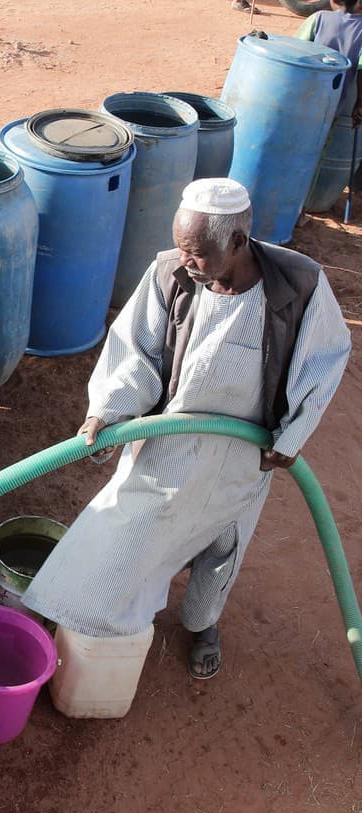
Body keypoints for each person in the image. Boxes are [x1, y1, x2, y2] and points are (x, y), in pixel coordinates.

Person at [23, 178, 351, 680]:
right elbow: (135, 350)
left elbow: (324, 360)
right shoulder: (170, 275)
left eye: (196, 252)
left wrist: (291, 437)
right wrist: (107, 412)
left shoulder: (299, 284)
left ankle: (203, 626)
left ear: (238, 243)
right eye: (180, 247)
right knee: (123, 531)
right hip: (169, 444)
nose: (185, 260)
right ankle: (72, 617)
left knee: (222, 549)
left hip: (245, 453)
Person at [297, 0, 362, 127]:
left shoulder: (319, 18)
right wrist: (360, 103)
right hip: (331, 107)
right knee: (319, 142)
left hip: (300, 97)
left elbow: (293, 51)